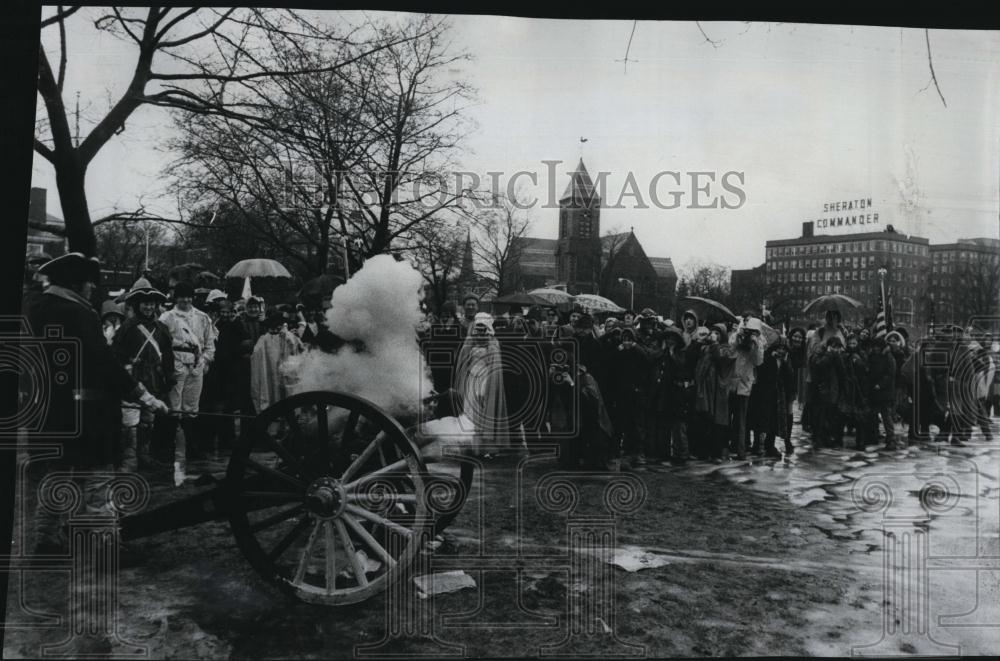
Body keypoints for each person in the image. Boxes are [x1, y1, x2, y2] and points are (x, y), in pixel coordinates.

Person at [23, 253, 169, 558]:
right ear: (75, 282)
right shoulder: (78, 312)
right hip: (88, 411)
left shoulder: (35, 308)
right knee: (98, 479)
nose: (92, 288)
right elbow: (103, 363)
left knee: (57, 476)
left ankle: (45, 540)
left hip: (50, 411)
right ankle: (104, 546)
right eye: (89, 281)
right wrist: (144, 395)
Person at [111, 278, 175, 471]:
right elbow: (115, 355)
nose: (148, 307)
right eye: (145, 303)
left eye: (151, 303)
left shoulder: (162, 329)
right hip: (132, 379)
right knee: (130, 421)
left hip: (154, 379)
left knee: (148, 421)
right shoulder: (127, 327)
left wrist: (169, 375)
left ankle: (144, 456)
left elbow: (168, 355)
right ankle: (129, 461)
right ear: (137, 305)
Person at [159, 281, 216, 478]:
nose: (186, 300)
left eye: (189, 297)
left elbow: (209, 343)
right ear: (176, 298)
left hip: (196, 365)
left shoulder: (202, 317)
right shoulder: (167, 318)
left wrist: (206, 360)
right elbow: (161, 344)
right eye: (182, 297)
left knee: (192, 407)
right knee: (174, 406)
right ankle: (170, 448)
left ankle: (191, 446)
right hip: (176, 364)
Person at [454, 312, 509, 454]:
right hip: (471, 380)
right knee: (470, 412)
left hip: (486, 379)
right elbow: (463, 363)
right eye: (477, 328)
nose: (479, 332)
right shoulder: (469, 342)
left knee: (483, 413)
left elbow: (494, 367)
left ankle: (485, 448)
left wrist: (486, 386)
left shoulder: (493, 343)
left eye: (483, 329)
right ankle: (470, 446)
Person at [748, 337, 796, 457]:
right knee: (761, 420)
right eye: (779, 348)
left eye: (784, 349)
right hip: (763, 394)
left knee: (774, 420)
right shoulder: (766, 358)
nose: (781, 351)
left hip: (778, 395)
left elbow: (789, 377)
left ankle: (770, 445)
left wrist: (784, 362)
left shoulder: (785, 362)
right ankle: (757, 444)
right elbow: (761, 371)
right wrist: (770, 357)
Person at [251, 309, 304, 413]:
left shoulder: (288, 337)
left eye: (278, 325)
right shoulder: (264, 340)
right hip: (270, 377)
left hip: (286, 375)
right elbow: (256, 359)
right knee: (272, 393)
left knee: (285, 395)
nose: (276, 329)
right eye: (273, 326)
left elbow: (297, 352)